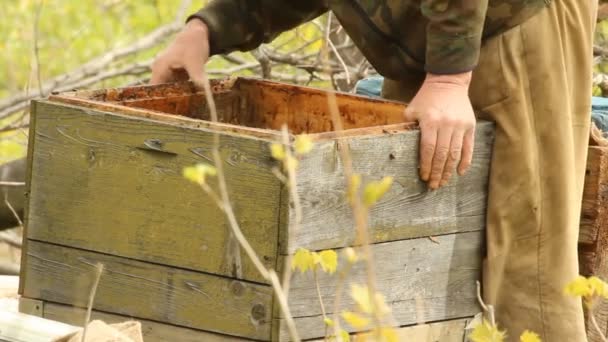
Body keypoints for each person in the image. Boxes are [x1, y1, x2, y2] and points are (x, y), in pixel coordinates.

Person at [151, 1, 597, 340]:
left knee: (527, 262)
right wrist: (211, 27)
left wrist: (448, 78)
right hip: (432, 41)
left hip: (508, 26)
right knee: (412, 252)